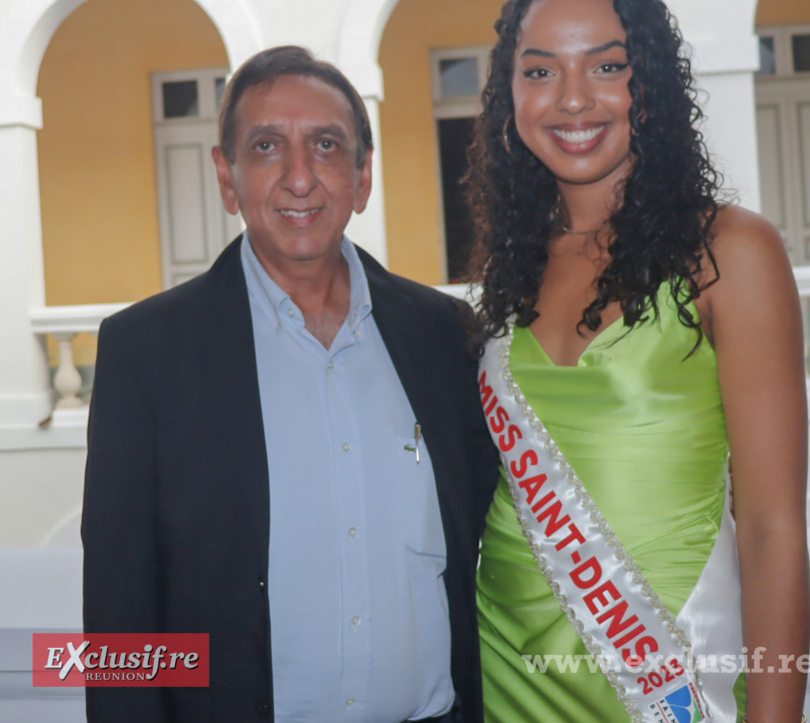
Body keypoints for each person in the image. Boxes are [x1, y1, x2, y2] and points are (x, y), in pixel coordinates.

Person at [82, 46, 498, 723]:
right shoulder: (147, 354)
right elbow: (120, 613)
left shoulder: (447, 339)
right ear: (227, 177)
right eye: (267, 146)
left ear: (363, 176)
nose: (299, 178)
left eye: (326, 146)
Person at [468, 0, 810, 723]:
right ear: (510, 93)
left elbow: (771, 529)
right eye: (540, 71)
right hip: (504, 672)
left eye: (608, 67)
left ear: (649, 83)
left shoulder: (729, 252)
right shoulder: (510, 265)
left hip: (667, 686)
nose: (572, 100)